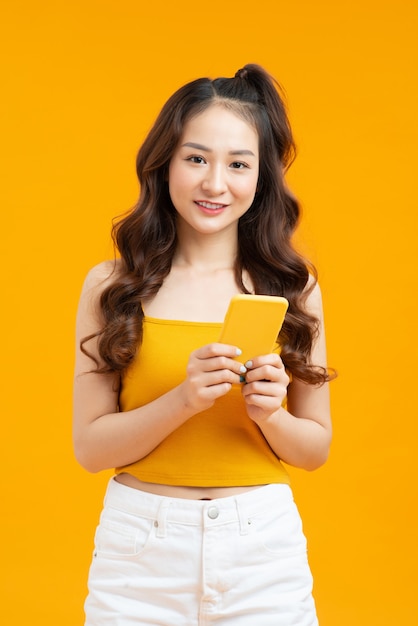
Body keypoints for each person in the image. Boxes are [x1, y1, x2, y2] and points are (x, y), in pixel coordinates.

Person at [73, 63, 334, 625]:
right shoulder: (112, 285)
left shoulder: (293, 288)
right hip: (139, 555)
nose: (216, 184)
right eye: (196, 158)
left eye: (239, 165)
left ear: (260, 179)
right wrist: (182, 399)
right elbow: (91, 450)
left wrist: (271, 416)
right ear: (164, 163)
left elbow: (313, 450)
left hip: (262, 552)